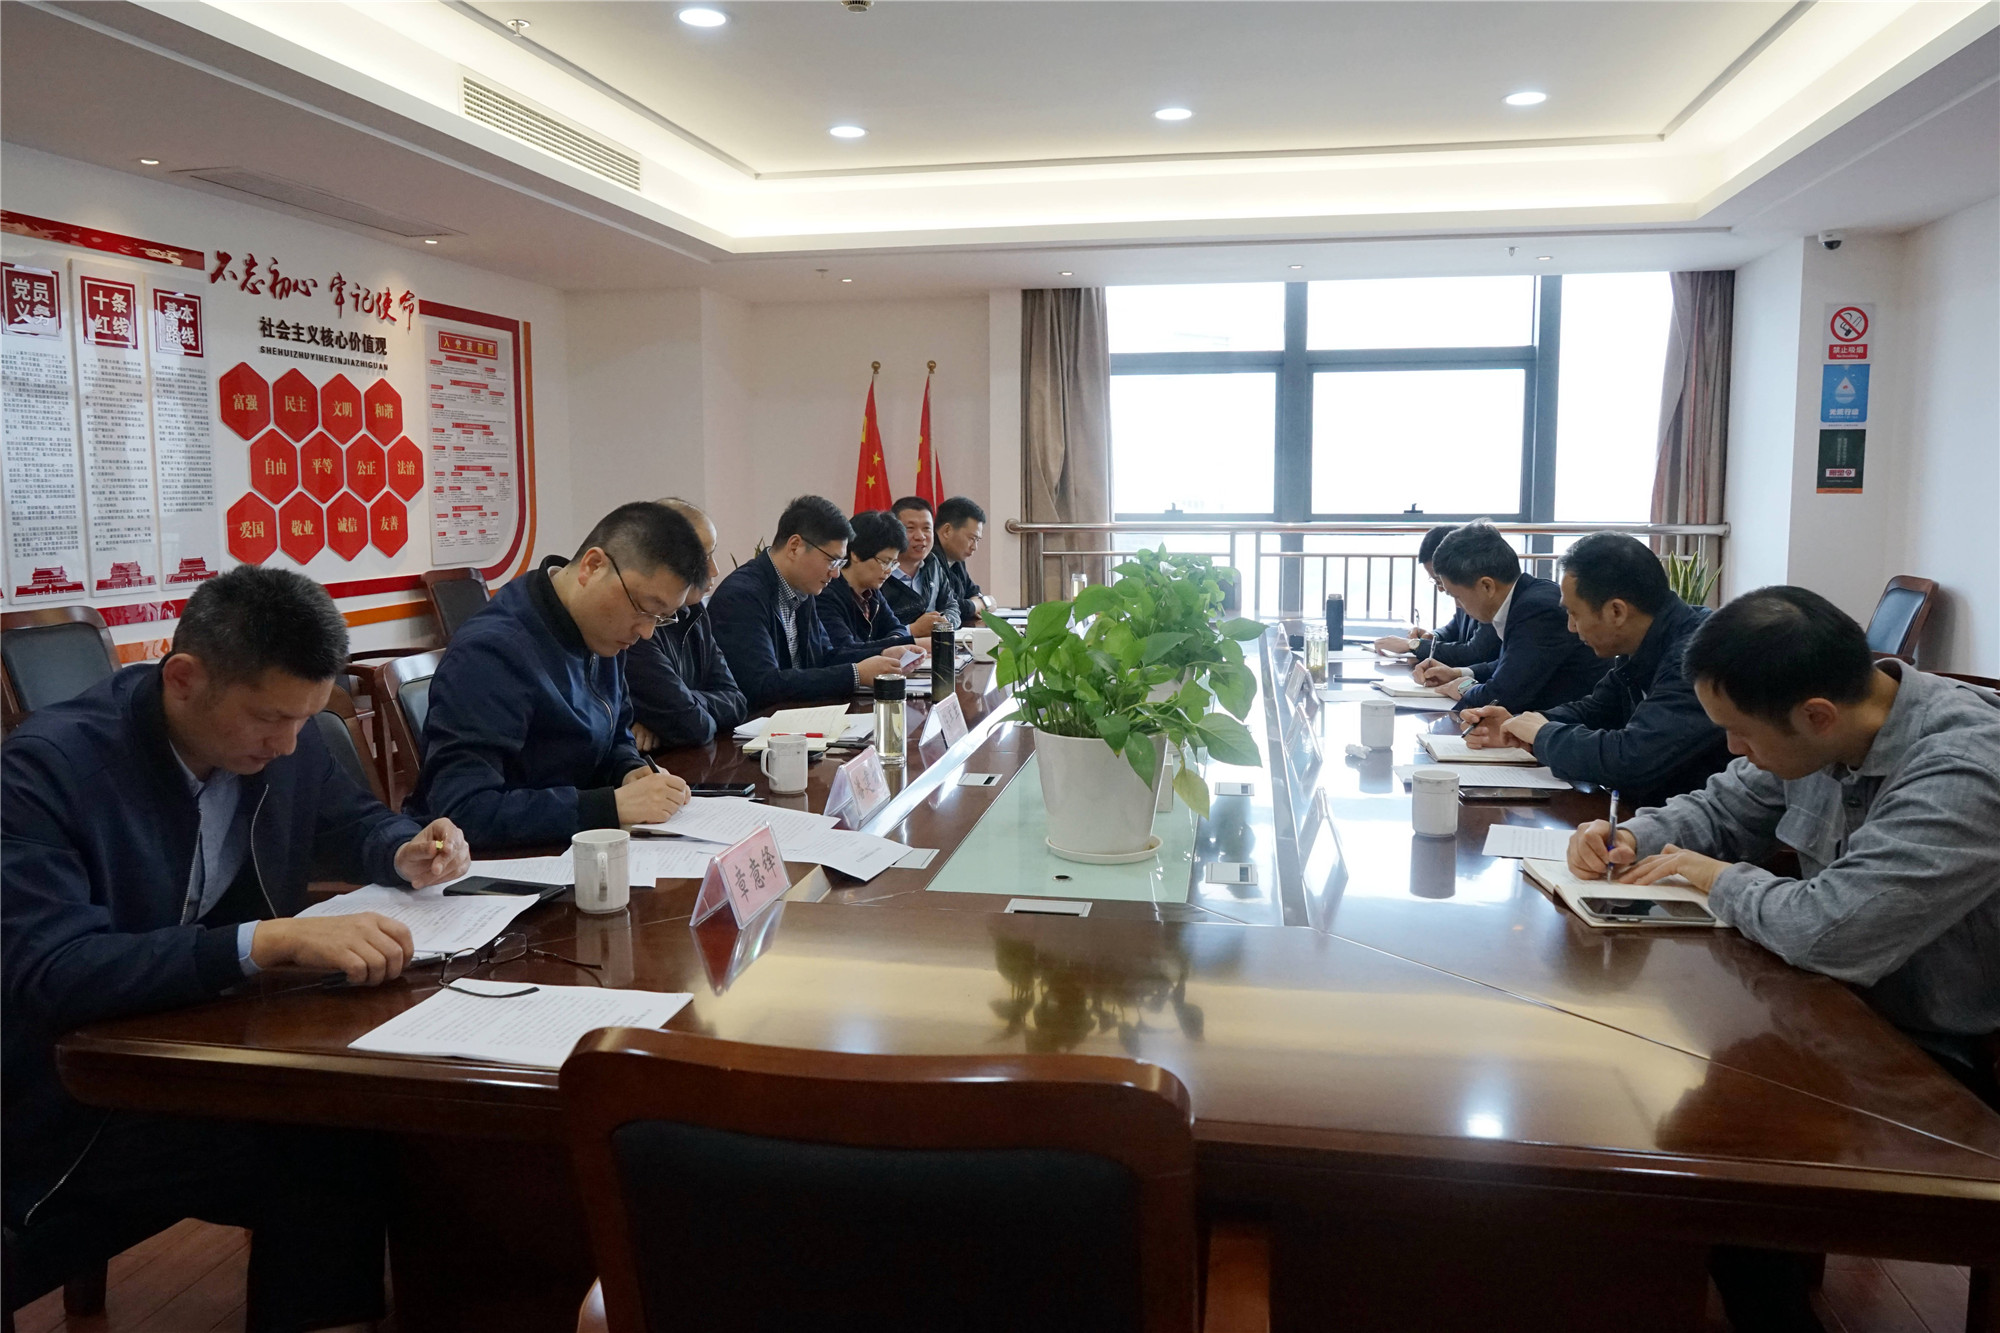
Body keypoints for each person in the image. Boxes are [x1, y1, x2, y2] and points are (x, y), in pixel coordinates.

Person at [2, 565, 471, 1333]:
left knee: (359, 1131)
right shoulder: (48, 769)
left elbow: (348, 819)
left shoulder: (282, 740)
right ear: (183, 678)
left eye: (305, 719)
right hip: (65, 1100)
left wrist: (404, 847)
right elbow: (53, 970)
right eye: (269, 719)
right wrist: (265, 941)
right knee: (325, 1146)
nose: (288, 744)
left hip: (187, 1044)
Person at [1568, 586, 2000, 1333]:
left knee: (1715, 1154)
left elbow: (1834, 931)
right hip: (1831, 1008)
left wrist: (1715, 877)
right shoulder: (1818, 719)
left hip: (1938, 1050)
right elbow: (1722, 806)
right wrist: (1635, 835)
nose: (1733, 749)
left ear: (1817, 716)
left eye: (1740, 734)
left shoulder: (1964, 768)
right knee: (1644, 1109)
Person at [412, 502, 706, 848]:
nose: (646, 632)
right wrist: (609, 806)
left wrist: (629, 770)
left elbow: (615, 733)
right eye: (645, 608)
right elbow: (461, 811)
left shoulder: (600, 630)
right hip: (497, 863)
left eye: (662, 618)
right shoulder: (492, 652)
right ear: (593, 566)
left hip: (571, 845)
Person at [1458, 531, 1730, 801]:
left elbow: (1632, 758)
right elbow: (1596, 710)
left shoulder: (1699, 655)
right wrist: (1517, 725)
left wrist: (1542, 735)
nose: (1570, 627)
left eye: (1574, 613)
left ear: (1616, 612)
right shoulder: (1643, 640)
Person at [708, 495, 908, 708]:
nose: (836, 574)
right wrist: (856, 674)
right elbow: (763, 684)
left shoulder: (803, 587)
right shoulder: (742, 596)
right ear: (795, 547)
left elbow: (825, 656)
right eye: (832, 561)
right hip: (760, 721)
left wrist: (883, 653)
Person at [1411, 522, 1606, 713]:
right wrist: (1457, 673)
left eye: (1457, 596)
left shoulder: (1537, 610)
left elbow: (1503, 695)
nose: (1458, 605)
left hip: (1576, 723)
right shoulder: (1525, 597)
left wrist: (1463, 688)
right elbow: (1514, 664)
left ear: (1487, 586)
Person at [623, 498, 749, 753]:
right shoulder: (638, 625)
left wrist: (683, 702)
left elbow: (736, 700)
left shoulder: (694, 611)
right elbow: (693, 726)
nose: (714, 570)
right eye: (703, 558)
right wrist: (681, 711)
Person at [819, 510, 945, 657]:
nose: (889, 571)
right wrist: (908, 644)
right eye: (885, 562)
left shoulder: (872, 593)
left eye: (893, 563)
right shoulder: (827, 594)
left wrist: (896, 643)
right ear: (856, 555)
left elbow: (897, 628)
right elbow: (846, 649)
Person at [1373, 524, 1500, 666]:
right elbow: (1453, 628)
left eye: (1440, 580)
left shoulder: (1488, 597)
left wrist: (1415, 646)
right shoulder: (1463, 593)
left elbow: (1476, 653)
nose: (1441, 588)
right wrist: (1432, 636)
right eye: (1436, 581)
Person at [881, 495, 961, 630]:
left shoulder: (932, 562)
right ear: (894, 532)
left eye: (926, 528)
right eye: (910, 528)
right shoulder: (880, 570)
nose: (920, 536)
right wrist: (914, 629)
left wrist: (944, 622)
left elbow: (951, 605)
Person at [934, 495, 989, 626]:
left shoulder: (956, 559)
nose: (974, 547)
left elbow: (973, 592)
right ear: (947, 531)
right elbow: (945, 605)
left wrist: (980, 603)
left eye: (977, 540)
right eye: (971, 538)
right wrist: (978, 605)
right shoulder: (929, 558)